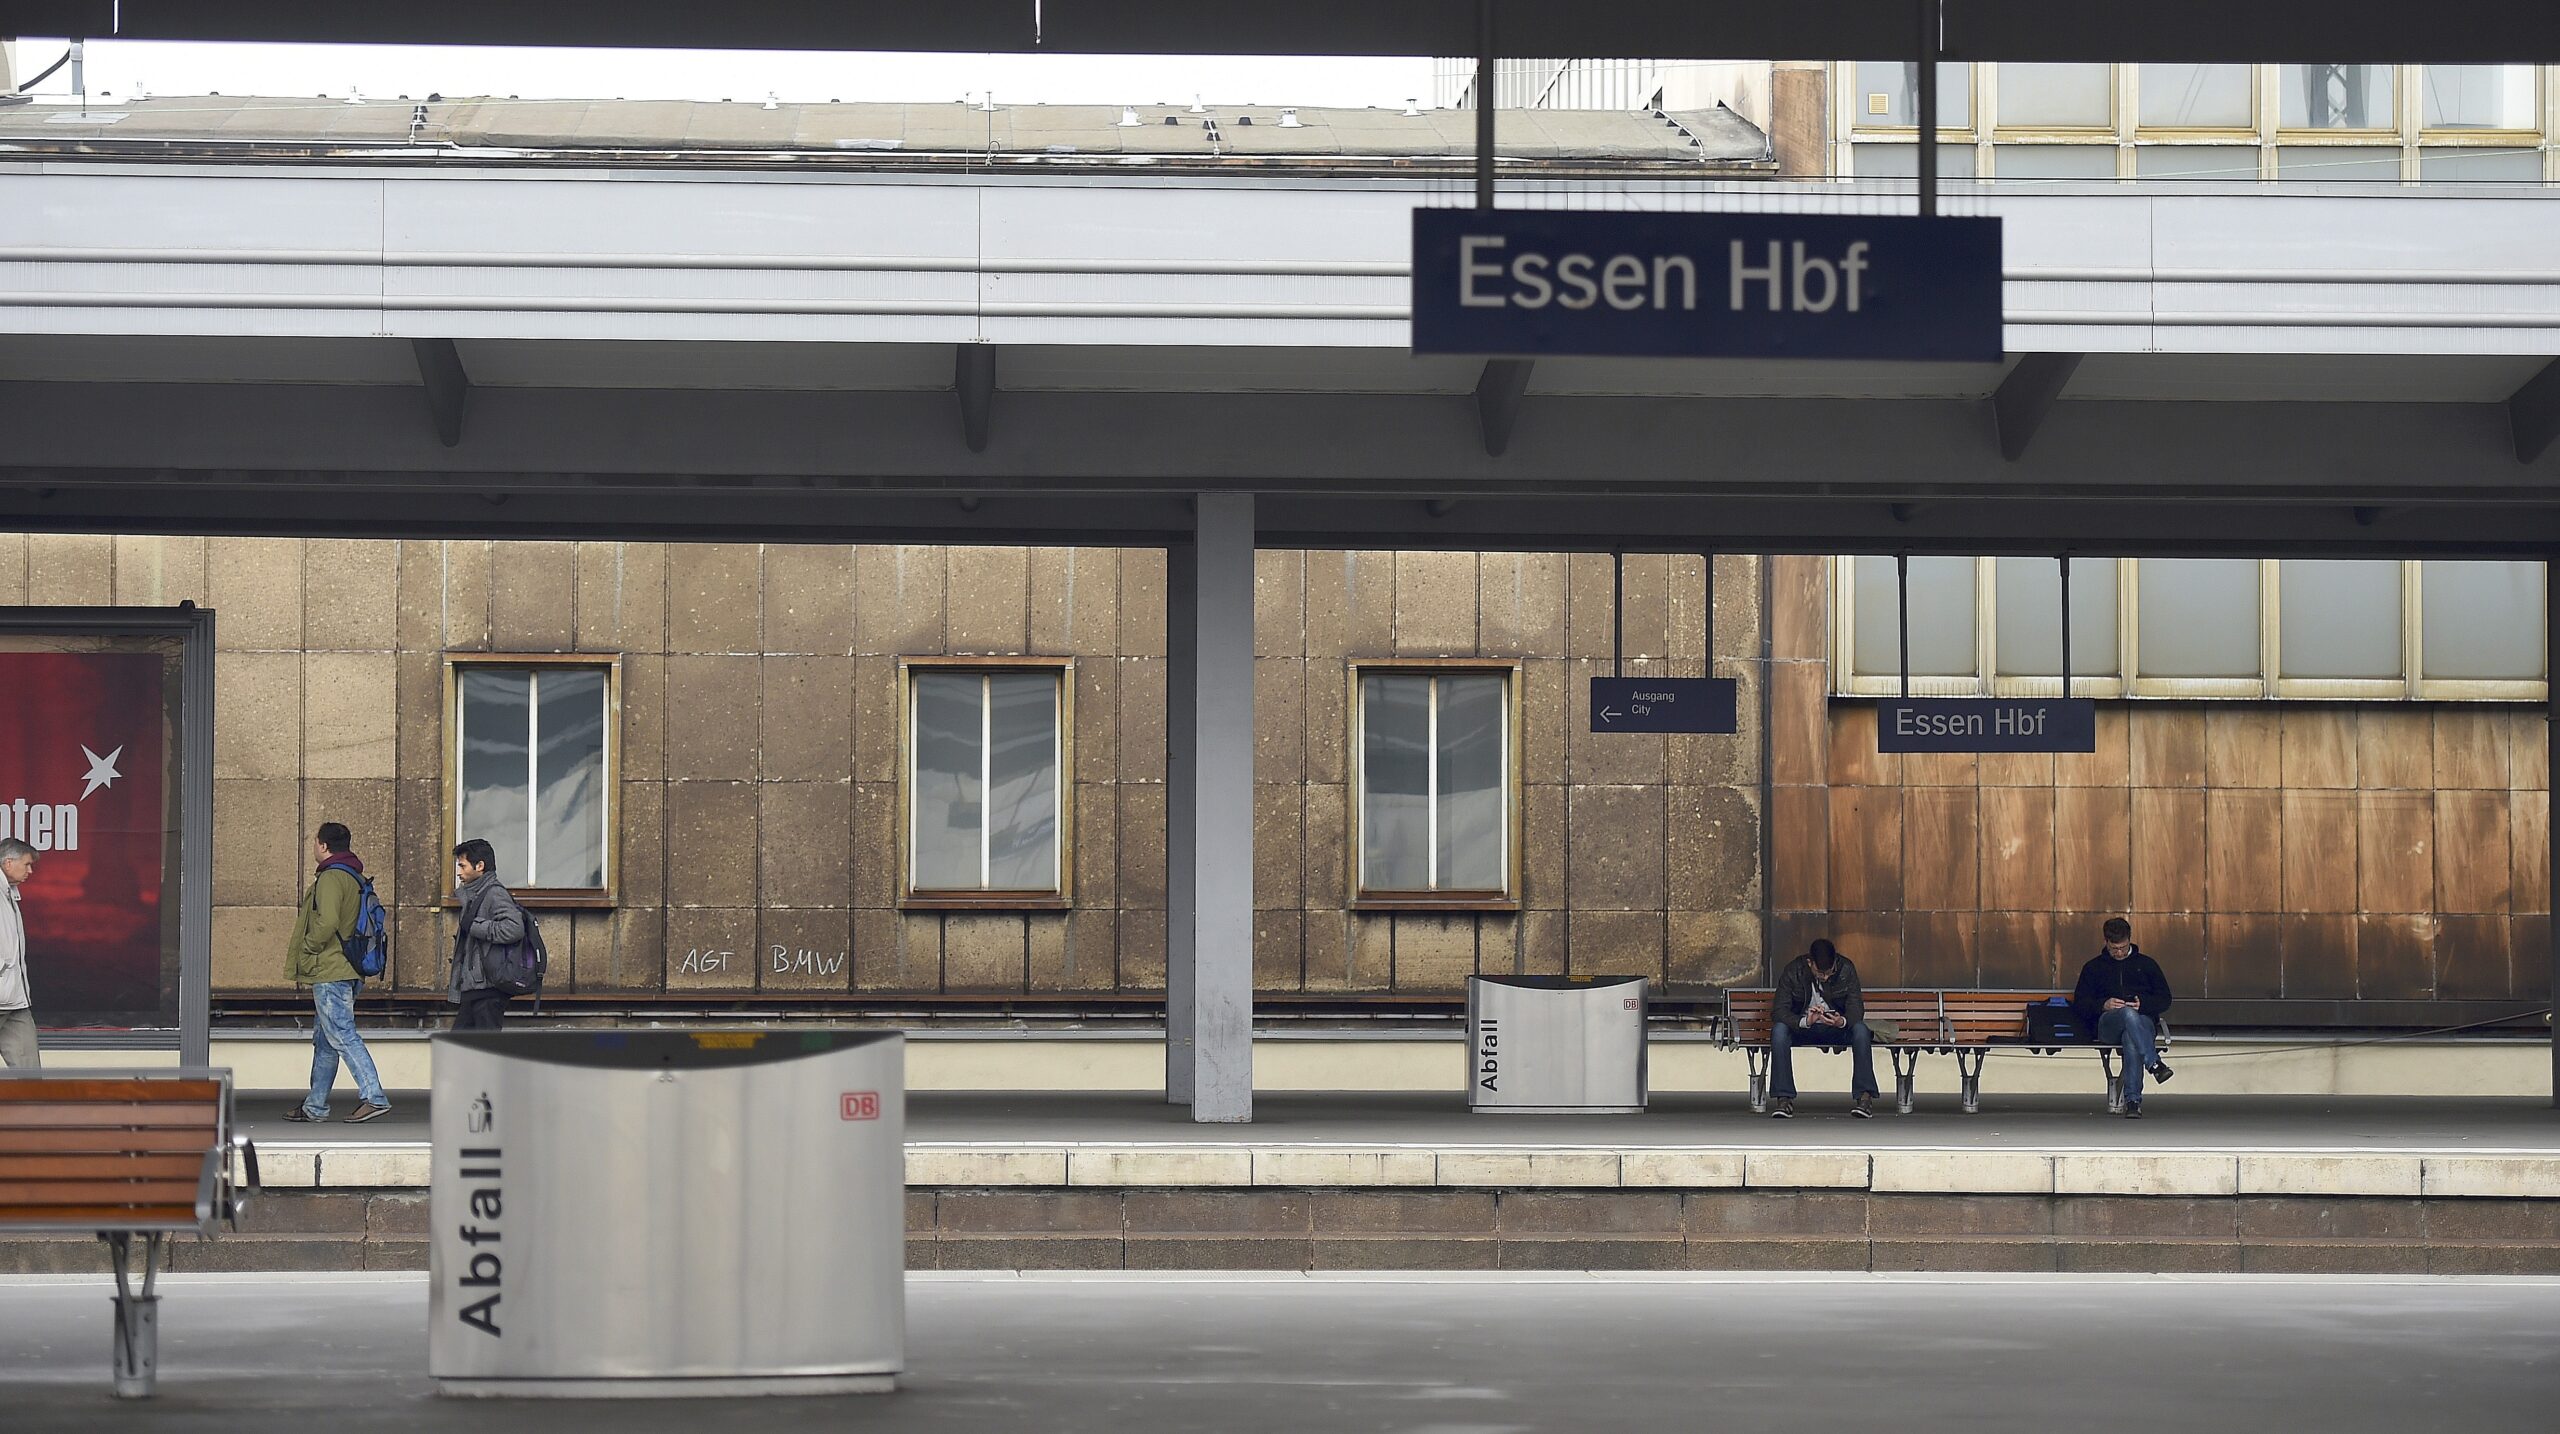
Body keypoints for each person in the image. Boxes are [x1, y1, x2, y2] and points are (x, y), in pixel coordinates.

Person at [283, 822, 391, 1123]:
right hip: (347, 968)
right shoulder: (353, 876)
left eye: (315, 842)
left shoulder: (332, 877)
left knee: (341, 1034)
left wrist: (308, 946)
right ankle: (314, 1106)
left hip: (332, 968)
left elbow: (327, 921)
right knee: (326, 1039)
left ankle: (374, 1096)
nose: (313, 847)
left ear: (323, 845)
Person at [2072, 916, 2174, 1118]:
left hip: (2141, 1022)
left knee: (2131, 1037)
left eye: (2123, 947)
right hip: (2108, 1024)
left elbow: (2165, 998)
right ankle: (2153, 1063)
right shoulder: (2093, 967)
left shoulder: (2146, 964)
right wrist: (2103, 1004)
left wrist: (2142, 1004)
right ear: (2106, 942)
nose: (2118, 953)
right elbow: (2081, 1003)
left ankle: (2133, 1102)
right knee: (2127, 1015)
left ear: (2130, 940)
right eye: (2114, 949)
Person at [1768, 938, 1878, 1119]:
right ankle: (1784, 1100)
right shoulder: (1793, 971)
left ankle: (1865, 1098)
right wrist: (1805, 1021)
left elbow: (1856, 1008)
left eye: (1830, 972)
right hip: (1803, 1028)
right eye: (1821, 973)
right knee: (1779, 1031)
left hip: (1836, 1028)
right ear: (1809, 963)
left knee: (1861, 1031)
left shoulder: (1846, 969)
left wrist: (1841, 1021)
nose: (1826, 977)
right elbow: (1779, 1011)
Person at [449, 838, 526, 1031]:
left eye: (462, 866)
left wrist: (475, 926)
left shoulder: (493, 893)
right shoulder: (474, 894)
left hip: (489, 990)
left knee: (483, 1051)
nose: (459, 872)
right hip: (475, 988)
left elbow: (514, 928)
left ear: (480, 866)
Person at [0, 838, 40, 1069]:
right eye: (26, 864)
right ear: (8, 863)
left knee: (30, 1076)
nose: (30, 871)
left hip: (15, 1002)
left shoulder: (10, 892)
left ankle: (34, 1105)